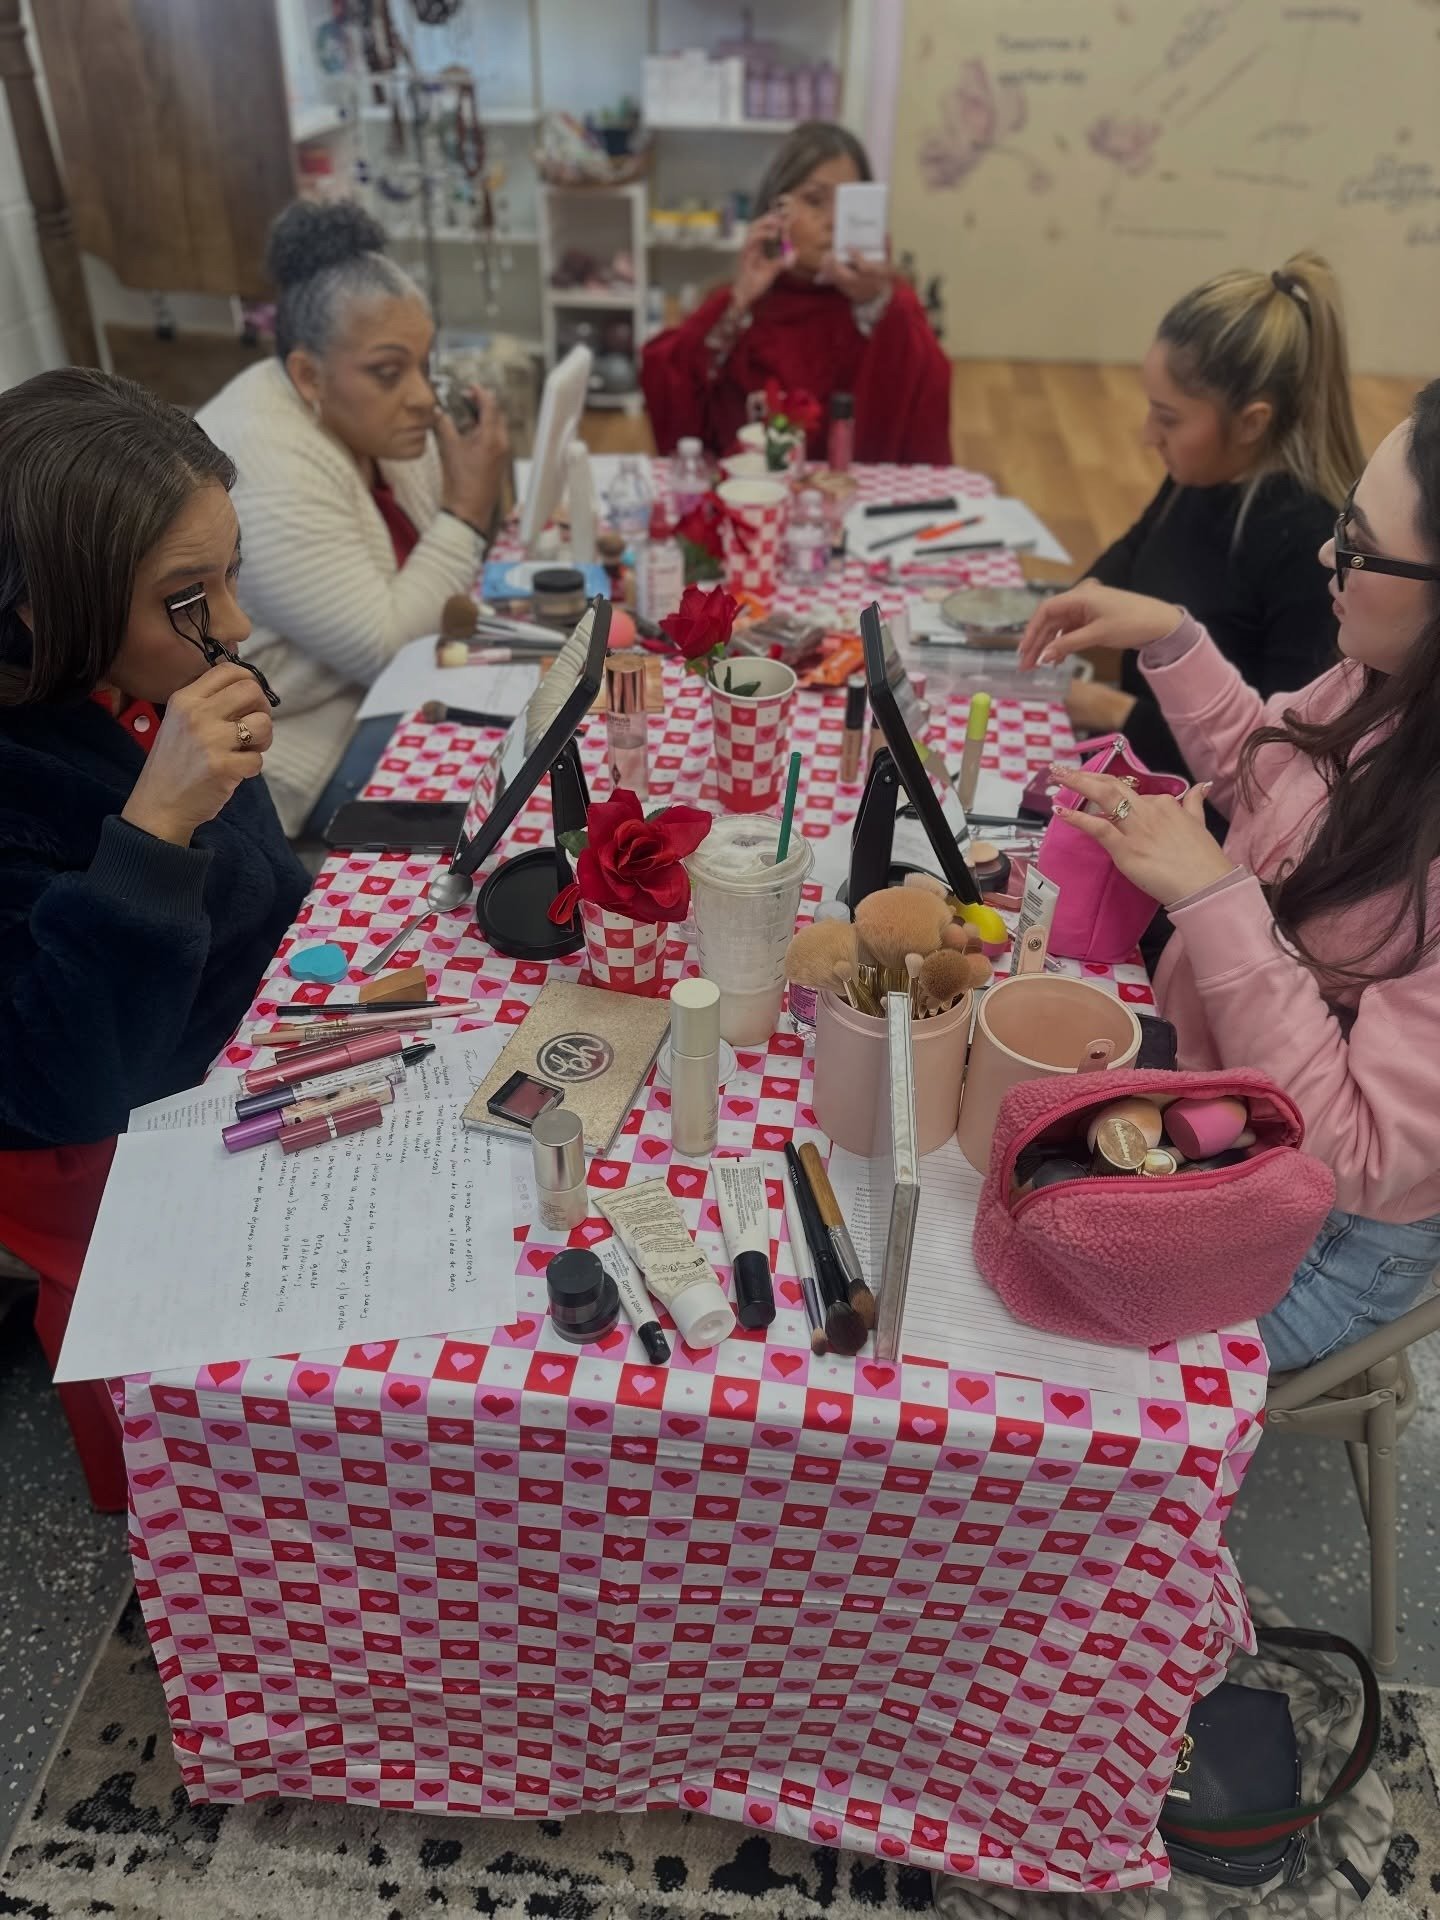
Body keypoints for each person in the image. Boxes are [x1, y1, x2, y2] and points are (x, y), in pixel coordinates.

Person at [1019, 377, 1440, 1373]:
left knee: (1033, 1326)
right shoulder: (1382, 676)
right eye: (1344, 519)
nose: (1327, 554)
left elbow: (1357, 1160)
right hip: (1221, 1113)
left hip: (1325, 1242)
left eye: (1363, 543)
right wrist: (1171, 635)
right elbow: (1270, 769)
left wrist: (1213, 900)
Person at [0, 369, 309, 1509]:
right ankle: (172, 1508)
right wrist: (157, 823)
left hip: (224, 1061)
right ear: (44, 609)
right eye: (189, 596)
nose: (230, 626)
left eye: (232, 575)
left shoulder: (153, 676)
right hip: (91, 1148)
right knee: (185, 1429)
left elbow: (260, 888)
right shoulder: (26, 772)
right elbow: (60, 1081)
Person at [197, 200, 510, 837]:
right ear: (308, 374)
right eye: (389, 373)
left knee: (553, 724)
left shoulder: (364, 417)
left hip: (393, 699)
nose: (422, 397)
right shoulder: (261, 457)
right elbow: (389, 648)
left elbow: (448, 585)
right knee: (512, 794)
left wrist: (477, 510)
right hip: (310, 753)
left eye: (424, 364)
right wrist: (468, 511)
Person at [1069, 251, 1363, 775]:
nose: (1146, 436)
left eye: (1168, 418)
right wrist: (1081, 598)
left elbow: (1276, 757)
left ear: (1251, 422)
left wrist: (1104, 707)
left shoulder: (1306, 549)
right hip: (1141, 764)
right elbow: (1139, 544)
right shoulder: (1202, 472)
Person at [641, 121, 951, 464]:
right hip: (754, 495)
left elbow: (926, 403)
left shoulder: (891, 304)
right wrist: (738, 303)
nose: (833, 221)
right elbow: (669, 382)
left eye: (849, 204)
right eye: (815, 201)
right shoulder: (737, 301)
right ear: (776, 211)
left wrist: (875, 304)